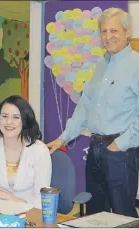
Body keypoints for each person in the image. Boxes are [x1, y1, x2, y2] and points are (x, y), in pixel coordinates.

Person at [47, 8, 139, 217]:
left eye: (114, 31)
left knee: (123, 216)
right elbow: (85, 107)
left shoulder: (137, 65)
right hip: (95, 149)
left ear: (127, 32)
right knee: (95, 215)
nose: (108, 37)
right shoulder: (100, 65)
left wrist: (119, 145)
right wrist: (63, 139)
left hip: (121, 153)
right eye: (104, 31)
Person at [0, 95, 52, 209]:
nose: (8, 122)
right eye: (4, 116)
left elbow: (41, 199)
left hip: (30, 211)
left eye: (16, 117)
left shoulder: (39, 151)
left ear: (25, 121)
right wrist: (10, 198)